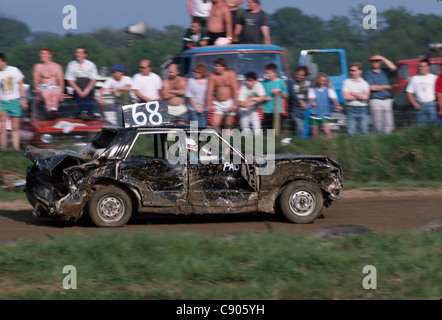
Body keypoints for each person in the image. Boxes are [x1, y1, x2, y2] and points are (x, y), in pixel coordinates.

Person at [364, 54, 397, 134]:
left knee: (389, 124)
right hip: (376, 100)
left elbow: (394, 68)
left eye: (376, 61)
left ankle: (387, 140)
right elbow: (371, 87)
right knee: (378, 125)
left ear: (380, 62)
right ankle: (378, 141)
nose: (374, 63)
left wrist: (383, 58)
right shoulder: (368, 74)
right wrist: (385, 87)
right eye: (372, 61)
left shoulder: (385, 71)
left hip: (387, 100)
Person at [0, 53, 27, 150]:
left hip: (15, 101)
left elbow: (21, 85)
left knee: (15, 127)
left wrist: (23, 99)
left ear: (3, 62)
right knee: (3, 128)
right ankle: (3, 149)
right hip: (3, 102)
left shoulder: (14, 70)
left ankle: (15, 149)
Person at [65, 45, 99, 120]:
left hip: (88, 85)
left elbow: (93, 79)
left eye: (80, 53)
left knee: (88, 96)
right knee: (77, 95)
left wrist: (86, 90)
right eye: (77, 52)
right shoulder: (71, 65)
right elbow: (69, 79)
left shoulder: (91, 65)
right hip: (76, 85)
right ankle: (82, 112)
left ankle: (87, 112)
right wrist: (78, 90)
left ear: (85, 55)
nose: (78, 54)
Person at [206, 57, 238, 132]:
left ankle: (228, 142)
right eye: (216, 66)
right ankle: (220, 140)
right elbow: (209, 91)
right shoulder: (212, 76)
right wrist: (209, 105)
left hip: (230, 102)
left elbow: (235, 90)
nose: (216, 68)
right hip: (218, 103)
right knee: (215, 124)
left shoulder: (231, 74)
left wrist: (235, 104)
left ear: (224, 67)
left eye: (219, 66)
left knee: (228, 124)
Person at [32, 48, 64, 119]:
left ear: (49, 55)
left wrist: (61, 93)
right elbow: (36, 80)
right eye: (41, 53)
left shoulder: (57, 66)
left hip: (54, 85)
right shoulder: (38, 66)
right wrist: (36, 91)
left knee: (55, 92)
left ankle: (54, 110)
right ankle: (50, 110)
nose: (40, 55)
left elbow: (61, 80)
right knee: (46, 93)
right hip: (43, 86)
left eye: (43, 53)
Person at [307, 73, 342, 139]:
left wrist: (337, 105)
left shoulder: (329, 89)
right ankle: (315, 143)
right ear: (318, 81)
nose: (322, 82)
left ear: (326, 81)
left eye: (324, 81)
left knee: (327, 130)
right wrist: (312, 102)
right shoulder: (312, 89)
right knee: (314, 131)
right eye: (321, 80)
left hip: (325, 112)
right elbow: (310, 98)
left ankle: (330, 143)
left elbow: (333, 99)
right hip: (314, 112)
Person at [406, 59, 438, 127]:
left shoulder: (434, 78)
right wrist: (415, 104)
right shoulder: (414, 78)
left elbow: (439, 92)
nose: (422, 68)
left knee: (434, 125)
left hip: (432, 104)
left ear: (428, 67)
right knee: (421, 126)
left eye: (424, 66)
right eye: (420, 66)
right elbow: (409, 92)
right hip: (420, 105)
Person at [342, 62, 370, 137]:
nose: (352, 72)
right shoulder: (346, 82)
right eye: (351, 70)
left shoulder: (364, 83)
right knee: (351, 132)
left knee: (364, 131)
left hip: (362, 108)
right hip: (350, 108)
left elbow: (366, 97)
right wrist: (360, 95)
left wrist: (352, 93)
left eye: (354, 70)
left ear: (360, 71)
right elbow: (345, 97)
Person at [262, 63, 289, 130]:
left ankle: (277, 140)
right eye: (266, 73)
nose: (266, 75)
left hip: (278, 111)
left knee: (277, 130)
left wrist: (280, 92)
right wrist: (264, 98)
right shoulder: (263, 82)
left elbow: (287, 96)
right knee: (268, 132)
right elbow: (260, 95)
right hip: (267, 110)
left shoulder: (281, 82)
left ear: (275, 73)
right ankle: (270, 140)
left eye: (268, 73)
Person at [287, 66, 311, 137]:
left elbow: (311, 93)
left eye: (301, 75)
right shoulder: (291, 82)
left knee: (303, 126)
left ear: (305, 77)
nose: (298, 76)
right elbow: (292, 94)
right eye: (297, 74)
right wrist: (301, 102)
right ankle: (299, 141)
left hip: (304, 109)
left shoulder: (308, 83)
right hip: (294, 108)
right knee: (299, 124)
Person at [186, 62, 208, 127]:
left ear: (202, 73)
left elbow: (207, 95)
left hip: (204, 108)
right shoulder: (191, 81)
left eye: (197, 72)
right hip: (193, 108)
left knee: (203, 126)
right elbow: (190, 96)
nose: (194, 73)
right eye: (194, 71)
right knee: (194, 127)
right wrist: (196, 108)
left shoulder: (208, 82)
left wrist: (202, 107)